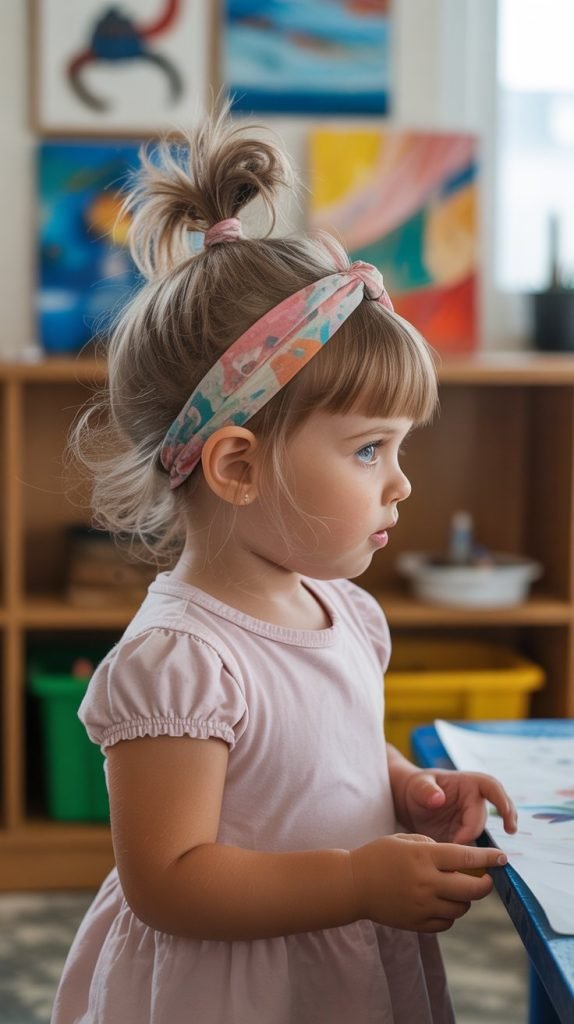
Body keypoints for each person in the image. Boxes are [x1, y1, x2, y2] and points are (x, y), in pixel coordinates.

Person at [52, 108, 517, 1024]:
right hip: (232, 989)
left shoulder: (342, 609)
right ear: (236, 465)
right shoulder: (179, 661)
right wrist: (351, 881)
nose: (401, 484)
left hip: (337, 959)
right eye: (366, 450)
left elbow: (318, 752)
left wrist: (402, 789)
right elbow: (170, 881)